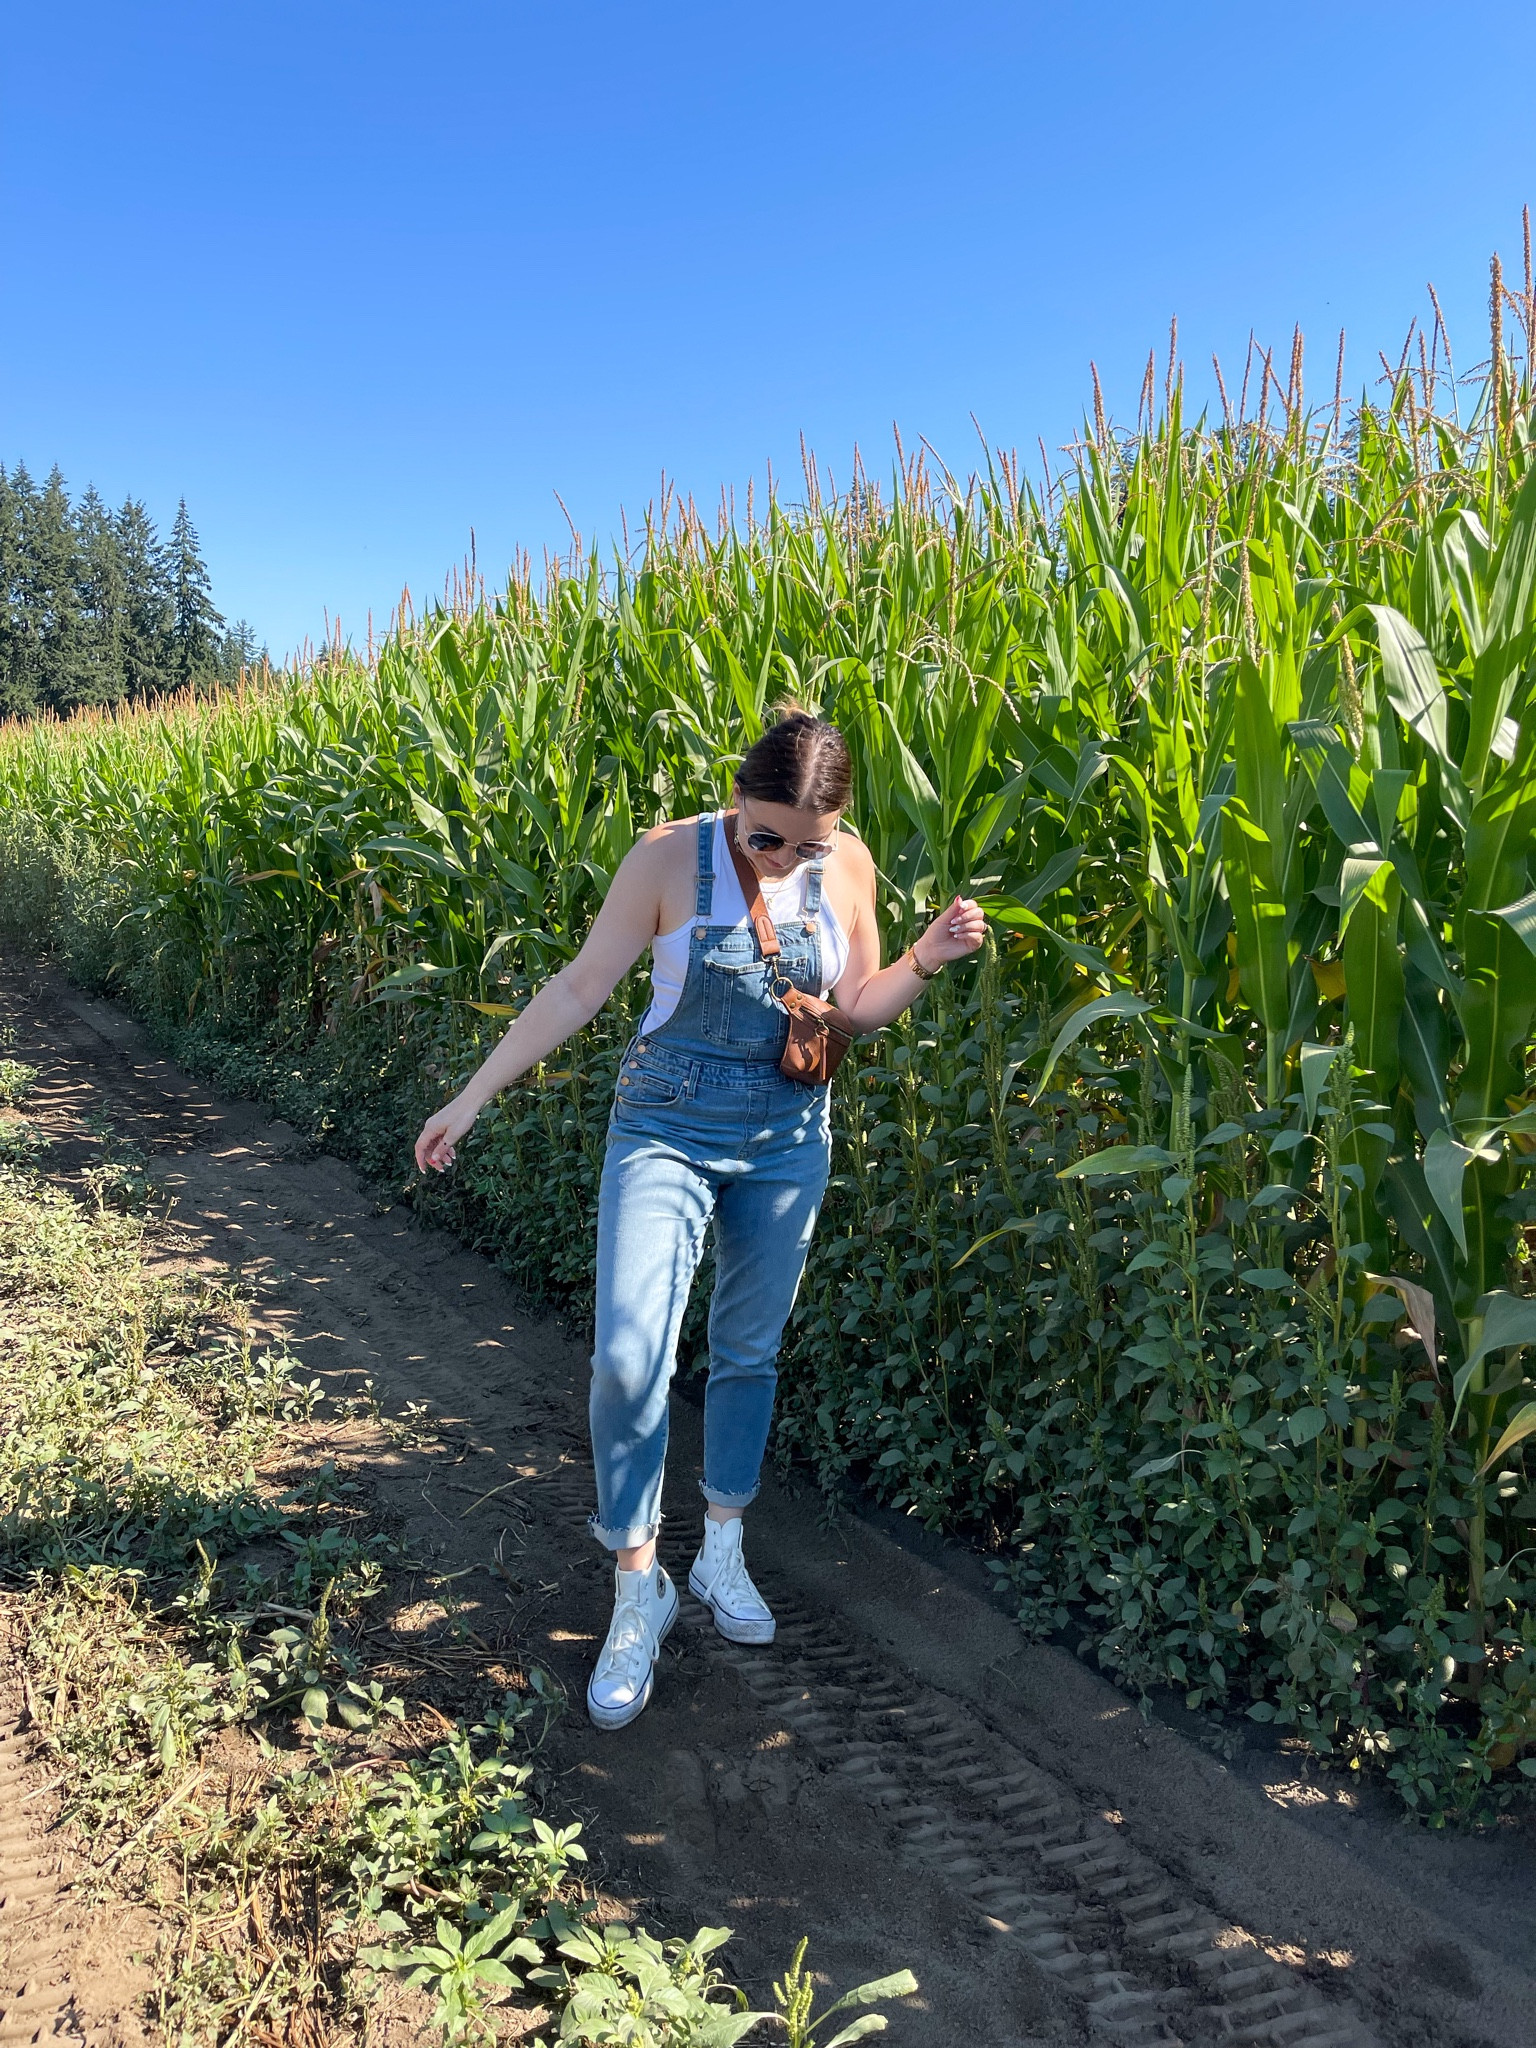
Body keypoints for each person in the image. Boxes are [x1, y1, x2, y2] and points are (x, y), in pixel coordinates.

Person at [415, 709, 987, 1728]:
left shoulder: (845, 862)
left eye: (805, 843)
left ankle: (721, 1543)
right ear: (737, 801)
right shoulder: (668, 857)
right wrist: (472, 1094)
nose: (782, 859)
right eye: (765, 836)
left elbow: (853, 1002)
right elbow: (583, 985)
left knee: (748, 1349)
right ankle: (640, 1580)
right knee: (629, 1357)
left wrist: (927, 956)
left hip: (786, 1139)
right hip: (666, 1128)